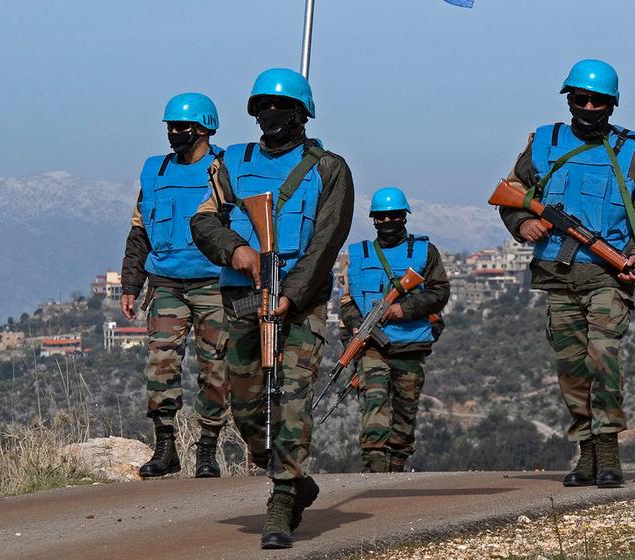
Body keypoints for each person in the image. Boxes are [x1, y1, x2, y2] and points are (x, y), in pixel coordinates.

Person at [189, 68, 354, 549]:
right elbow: (204, 221)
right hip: (241, 298)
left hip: (300, 305)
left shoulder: (329, 169)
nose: (271, 115)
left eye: (281, 108)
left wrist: (292, 292)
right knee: (246, 407)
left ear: (302, 114)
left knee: (291, 403)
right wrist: (236, 250)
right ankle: (294, 478)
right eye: (262, 107)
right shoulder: (231, 163)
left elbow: (327, 239)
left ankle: (282, 500)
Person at [497, 59, 635, 488]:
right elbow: (510, 196)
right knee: (572, 367)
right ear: (569, 99)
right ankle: (587, 453)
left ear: (612, 105)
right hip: (558, 275)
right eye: (581, 99)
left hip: (607, 277)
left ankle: (608, 451)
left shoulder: (634, 153)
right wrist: (523, 224)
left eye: (597, 101)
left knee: (603, 357)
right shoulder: (544, 144)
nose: (588, 106)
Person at [120, 93, 231, 479]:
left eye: (181, 127)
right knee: (161, 365)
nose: (173, 134)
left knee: (215, 368)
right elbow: (139, 231)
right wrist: (131, 283)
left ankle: (207, 451)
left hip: (214, 284)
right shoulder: (155, 172)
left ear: (203, 129)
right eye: (170, 127)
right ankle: (165, 446)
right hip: (166, 282)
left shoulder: (223, 168)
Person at [337, 187, 451, 473]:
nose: (388, 222)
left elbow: (440, 293)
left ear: (404, 217)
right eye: (382, 218)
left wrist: (403, 309)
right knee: (373, 401)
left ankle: (397, 464)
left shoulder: (425, 252)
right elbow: (347, 301)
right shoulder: (357, 255)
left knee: (405, 408)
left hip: (410, 344)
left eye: (394, 217)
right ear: (374, 220)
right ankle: (375, 463)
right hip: (371, 347)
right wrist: (354, 324)